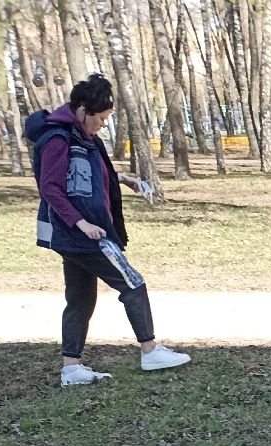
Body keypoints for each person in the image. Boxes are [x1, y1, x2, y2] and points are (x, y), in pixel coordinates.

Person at [24, 73, 190, 387]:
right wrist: (82, 223)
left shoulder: (84, 136)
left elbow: (91, 174)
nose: (102, 124)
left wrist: (122, 181)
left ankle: (71, 369)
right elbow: (51, 188)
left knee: (80, 298)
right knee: (132, 283)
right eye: (100, 118)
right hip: (81, 233)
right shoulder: (59, 139)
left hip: (76, 235)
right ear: (82, 110)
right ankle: (150, 350)